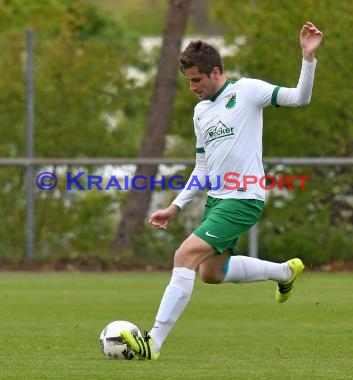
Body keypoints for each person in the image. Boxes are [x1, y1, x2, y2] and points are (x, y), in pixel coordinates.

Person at [121, 21, 323, 360]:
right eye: (188, 82)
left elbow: (300, 98)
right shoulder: (201, 112)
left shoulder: (247, 91)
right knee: (211, 273)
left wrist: (308, 58)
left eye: (197, 80)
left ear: (216, 72)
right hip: (217, 201)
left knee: (184, 255)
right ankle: (284, 272)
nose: (193, 88)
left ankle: (153, 341)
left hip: (244, 198)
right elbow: (202, 167)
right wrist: (176, 206)